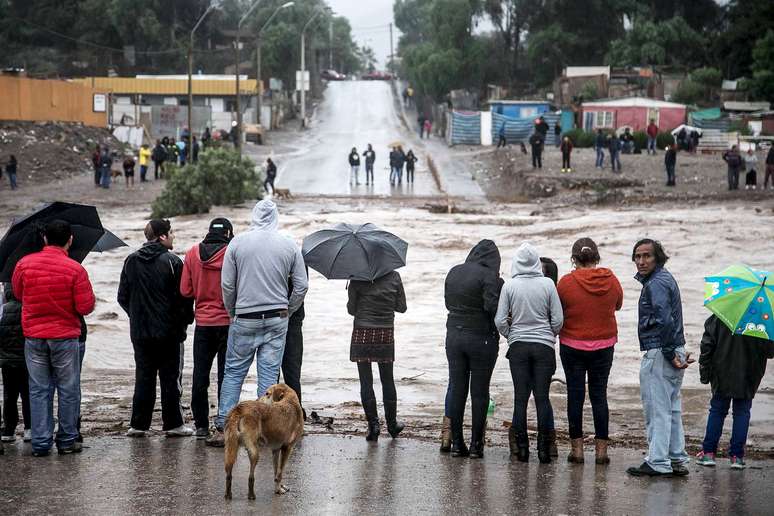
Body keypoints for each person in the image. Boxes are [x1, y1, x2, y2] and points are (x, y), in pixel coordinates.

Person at [208, 200, 307, 447]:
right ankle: (264, 431)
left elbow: (227, 284)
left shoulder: (237, 243)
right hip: (277, 318)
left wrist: (233, 312)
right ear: (275, 217)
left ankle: (225, 427)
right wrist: (289, 309)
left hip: (244, 317)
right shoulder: (288, 244)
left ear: (253, 216)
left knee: (233, 373)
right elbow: (302, 286)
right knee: (269, 377)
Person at [12, 220, 95, 456]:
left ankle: (40, 443)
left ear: (45, 239)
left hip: (34, 336)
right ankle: (67, 441)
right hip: (65, 337)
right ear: (70, 240)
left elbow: (18, 294)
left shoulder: (23, 264)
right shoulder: (75, 269)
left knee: (39, 389)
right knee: (68, 389)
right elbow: (85, 307)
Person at [118, 219, 194, 438]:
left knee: (144, 376)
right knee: (170, 378)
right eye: (170, 233)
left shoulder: (130, 261)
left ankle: (138, 425)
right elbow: (184, 298)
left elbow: (122, 296)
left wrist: (137, 316)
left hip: (140, 333)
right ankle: (173, 425)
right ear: (162, 236)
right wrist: (184, 322)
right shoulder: (172, 262)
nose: (173, 236)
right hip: (169, 333)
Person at [627, 239, 693, 477]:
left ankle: (657, 461)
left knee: (657, 409)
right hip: (674, 348)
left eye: (647, 256)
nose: (641, 261)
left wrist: (667, 352)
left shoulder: (655, 283)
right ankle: (676, 458)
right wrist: (675, 350)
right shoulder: (665, 278)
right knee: (672, 408)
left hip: (660, 351)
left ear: (658, 258)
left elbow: (665, 320)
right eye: (637, 256)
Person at [495, 242, 563, 464]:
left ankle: (522, 450)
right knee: (542, 397)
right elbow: (558, 320)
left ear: (516, 263)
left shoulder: (510, 286)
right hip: (544, 347)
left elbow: (499, 320)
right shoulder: (547, 284)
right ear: (536, 262)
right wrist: (549, 335)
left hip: (519, 347)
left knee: (520, 398)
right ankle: (544, 451)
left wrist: (511, 335)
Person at [557, 238, 623, 465]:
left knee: (575, 396)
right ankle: (602, 452)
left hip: (572, 345)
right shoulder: (611, 280)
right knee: (599, 395)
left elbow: (558, 310)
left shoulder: (565, 283)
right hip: (604, 345)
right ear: (597, 258)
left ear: (574, 259)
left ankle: (577, 451)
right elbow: (618, 304)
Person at [444, 240, 503, 458]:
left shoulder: (454, 271)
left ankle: (457, 445)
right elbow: (492, 308)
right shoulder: (489, 276)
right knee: (479, 393)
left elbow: (448, 303)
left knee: (458, 390)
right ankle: (477, 446)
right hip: (481, 339)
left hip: (454, 336)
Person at [696, 315, 774, 469]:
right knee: (742, 412)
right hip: (749, 373)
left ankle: (708, 453)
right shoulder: (762, 319)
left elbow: (707, 345)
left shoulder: (721, 315)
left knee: (717, 410)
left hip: (721, 370)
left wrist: (704, 371)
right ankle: (736, 457)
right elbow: (770, 352)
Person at [180, 218, 234, 439]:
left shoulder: (192, 253)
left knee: (200, 376)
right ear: (229, 233)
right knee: (227, 375)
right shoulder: (232, 253)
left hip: (203, 324)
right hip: (228, 323)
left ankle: (201, 425)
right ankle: (224, 423)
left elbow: (185, 290)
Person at [348, 268, 407, 442]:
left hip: (362, 332)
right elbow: (402, 307)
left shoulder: (357, 276)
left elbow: (352, 310)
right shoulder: (394, 276)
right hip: (385, 332)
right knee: (387, 379)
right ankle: (392, 425)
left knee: (365, 380)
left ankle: (373, 427)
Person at [0, 283, 31, 443]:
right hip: (26, 361)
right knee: (27, 394)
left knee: (9, 396)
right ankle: (29, 428)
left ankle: (8, 430)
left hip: (6, 362)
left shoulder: (3, 309)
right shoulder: (28, 309)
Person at [282, 272, 308, 419]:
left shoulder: (293, 255)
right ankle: (296, 414)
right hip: (292, 317)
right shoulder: (296, 255)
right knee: (292, 371)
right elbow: (302, 287)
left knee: (271, 370)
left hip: (281, 315)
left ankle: (293, 413)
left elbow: (301, 287)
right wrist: (291, 310)